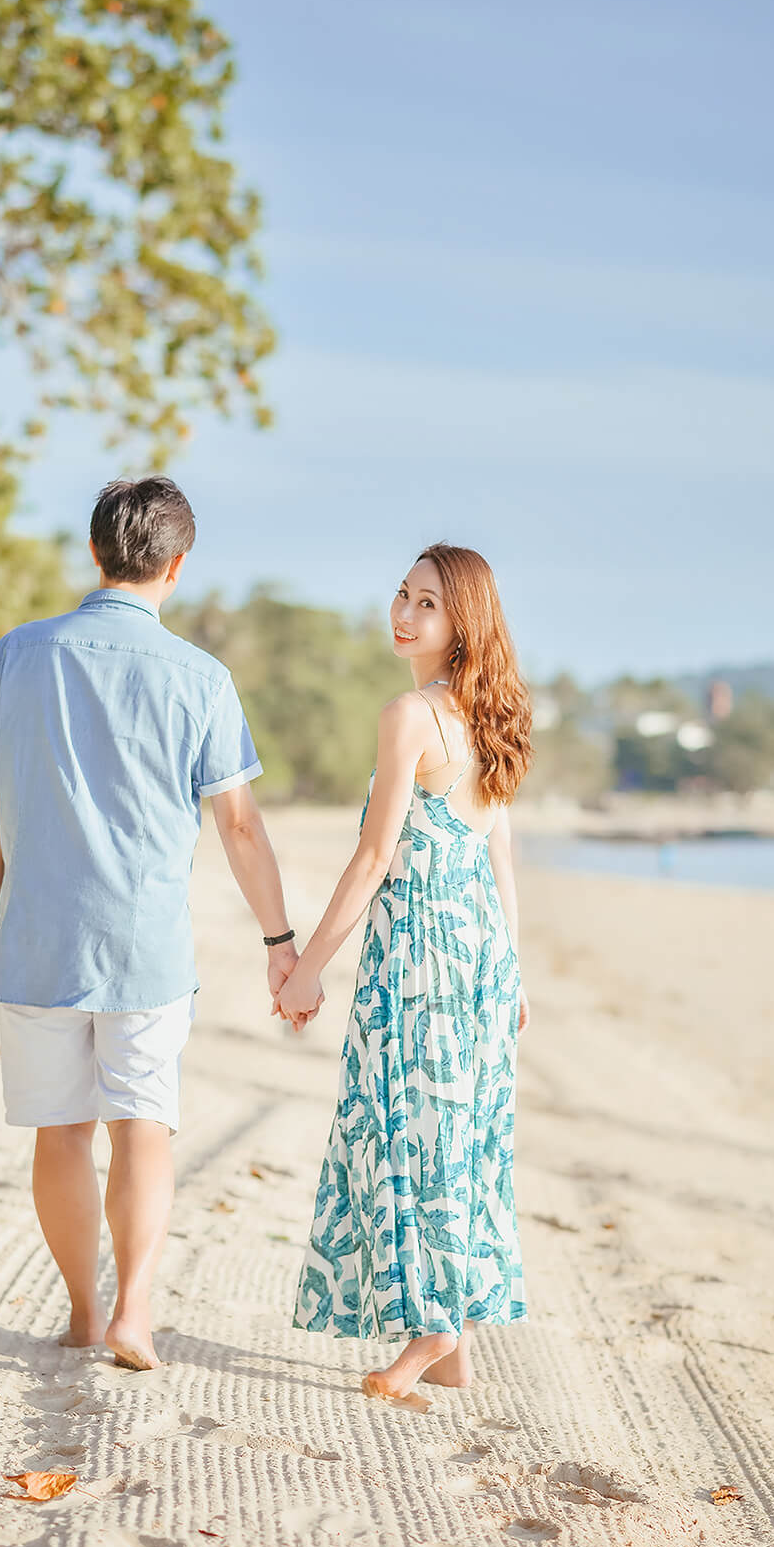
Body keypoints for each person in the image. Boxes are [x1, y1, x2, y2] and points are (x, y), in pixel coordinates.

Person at [0, 476, 307, 1371]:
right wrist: (280, 942)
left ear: (94, 551)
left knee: (61, 1131)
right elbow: (239, 825)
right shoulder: (201, 677)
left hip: (37, 937)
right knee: (142, 1126)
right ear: (177, 565)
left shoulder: (20, 655)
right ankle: (135, 1311)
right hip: (145, 949)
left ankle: (81, 1313)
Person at [278, 543, 531, 1406]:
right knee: (455, 1136)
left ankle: (431, 1330)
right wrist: (515, 968)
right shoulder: (488, 713)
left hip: (423, 954)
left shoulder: (412, 715)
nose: (404, 612)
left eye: (426, 602)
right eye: (402, 594)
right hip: (479, 955)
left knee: (406, 1133)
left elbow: (376, 855)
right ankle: (453, 1341)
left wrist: (308, 967)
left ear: (463, 620)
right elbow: (498, 846)